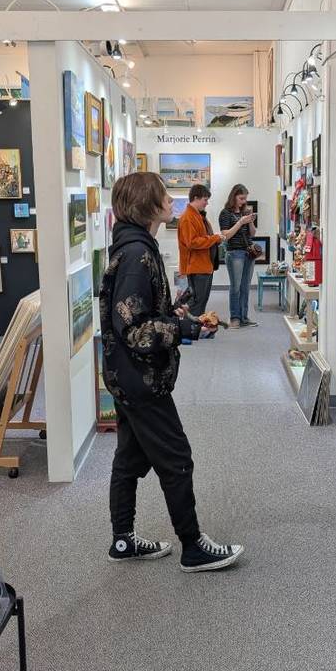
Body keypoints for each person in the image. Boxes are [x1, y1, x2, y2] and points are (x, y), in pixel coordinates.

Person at [100, 171, 244, 572]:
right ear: (147, 205)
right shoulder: (136, 256)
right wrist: (184, 328)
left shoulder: (134, 246)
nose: (171, 201)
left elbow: (136, 315)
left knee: (129, 459)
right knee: (177, 458)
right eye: (165, 195)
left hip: (127, 376)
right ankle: (193, 547)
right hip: (140, 379)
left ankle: (123, 541)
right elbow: (133, 330)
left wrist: (170, 312)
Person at [177, 183, 251, 316]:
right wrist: (215, 238)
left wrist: (214, 238)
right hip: (197, 267)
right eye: (205, 200)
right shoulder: (188, 218)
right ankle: (192, 327)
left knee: (200, 302)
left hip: (203, 265)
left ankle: (196, 326)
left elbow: (201, 238)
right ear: (196, 198)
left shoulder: (198, 216)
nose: (207, 203)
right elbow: (192, 242)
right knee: (197, 303)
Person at [219, 184, 258, 328]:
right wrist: (240, 222)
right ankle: (235, 318)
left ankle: (244, 317)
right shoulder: (225, 213)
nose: (244, 201)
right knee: (235, 287)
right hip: (235, 253)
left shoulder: (244, 213)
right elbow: (226, 235)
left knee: (245, 287)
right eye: (241, 198)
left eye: (245, 199)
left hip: (248, 253)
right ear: (233, 197)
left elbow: (252, 234)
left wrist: (250, 221)